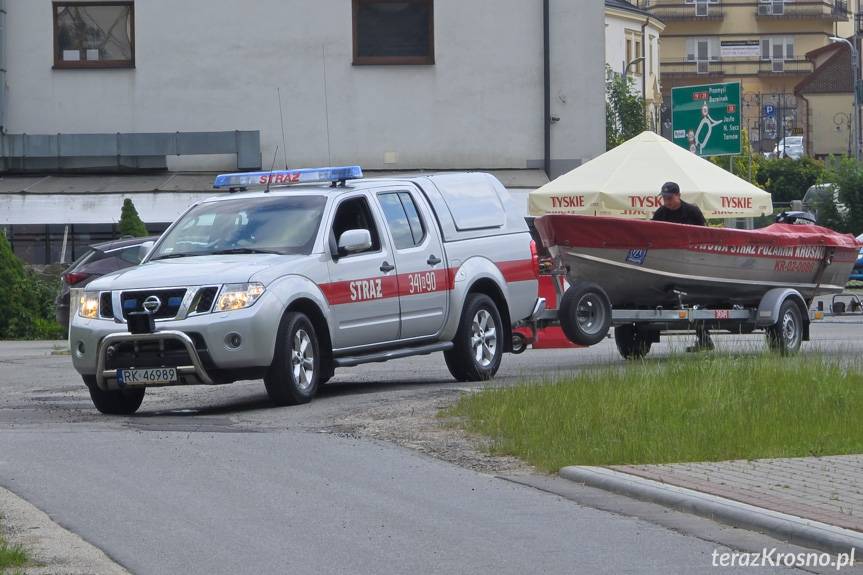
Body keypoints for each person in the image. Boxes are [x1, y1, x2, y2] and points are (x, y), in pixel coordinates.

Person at [651, 181, 714, 352]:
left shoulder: (692, 211)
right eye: (664, 198)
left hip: (693, 261)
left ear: (678, 195)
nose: (666, 201)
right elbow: (651, 234)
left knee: (695, 301)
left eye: (669, 198)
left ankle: (704, 338)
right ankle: (704, 340)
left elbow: (706, 234)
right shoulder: (660, 213)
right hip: (669, 261)